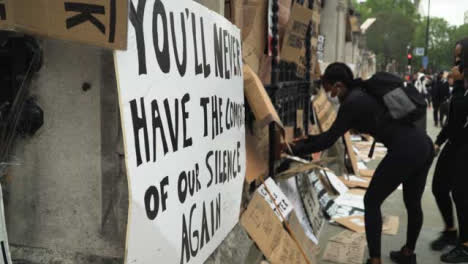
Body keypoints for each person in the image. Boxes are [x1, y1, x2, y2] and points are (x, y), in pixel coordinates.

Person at [290, 63, 434, 264]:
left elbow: (329, 139)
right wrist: (307, 141)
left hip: (405, 149)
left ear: (339, 85)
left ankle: (375, 260)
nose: (330, 95)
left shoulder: (352, 102)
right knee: (413, 203)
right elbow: (329, 136)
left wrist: (292, 149)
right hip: (423, 145)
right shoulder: (363, 93)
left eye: (329, 89)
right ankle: (408, 254)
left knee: (372, 201)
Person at [438, 38, 468, 263]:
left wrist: (457, 87)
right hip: (454, 143)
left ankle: (465, 245)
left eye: (460, 56)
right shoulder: (461, 83)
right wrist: (438, 141)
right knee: (439, 186)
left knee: (461, 193)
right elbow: (451, 121)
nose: (455, 61)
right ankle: (450, 230)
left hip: (464, 145)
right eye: (455, 55)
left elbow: (457, 116)